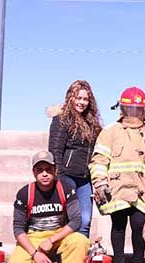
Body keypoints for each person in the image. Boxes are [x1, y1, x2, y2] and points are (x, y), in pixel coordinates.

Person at [89, 86, 145, 263]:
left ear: (143, 110)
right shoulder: (109, 132)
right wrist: (100, 184)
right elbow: (99, 160)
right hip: (117, 189)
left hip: (142, 190)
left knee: (140, 226)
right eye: (130, 109)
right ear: (122, 109)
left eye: (137, 109)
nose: (134, 113)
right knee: (118, 226)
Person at [5, 151, 89, 263]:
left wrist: (51, 240)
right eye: (40, 170)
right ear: (34, 172)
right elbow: (18, 228)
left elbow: (76, 220)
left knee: (80, 240)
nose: (44, 174)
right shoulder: (25, 193)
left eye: (48, 169)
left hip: (59, 235)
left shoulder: (66, 188)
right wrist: (34, 253)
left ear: (55, 170)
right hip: (34, 237)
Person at [47, 80, 102, 238]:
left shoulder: (93, 124)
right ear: (71, 98)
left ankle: (81, 257)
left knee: (85, 221)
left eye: (85, 99)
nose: (82, 102)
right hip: (67, 176)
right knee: (68, 220)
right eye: (78, 98)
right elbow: (55, 150)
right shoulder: (61, 120)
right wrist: (60, 176)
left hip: (85, 180)